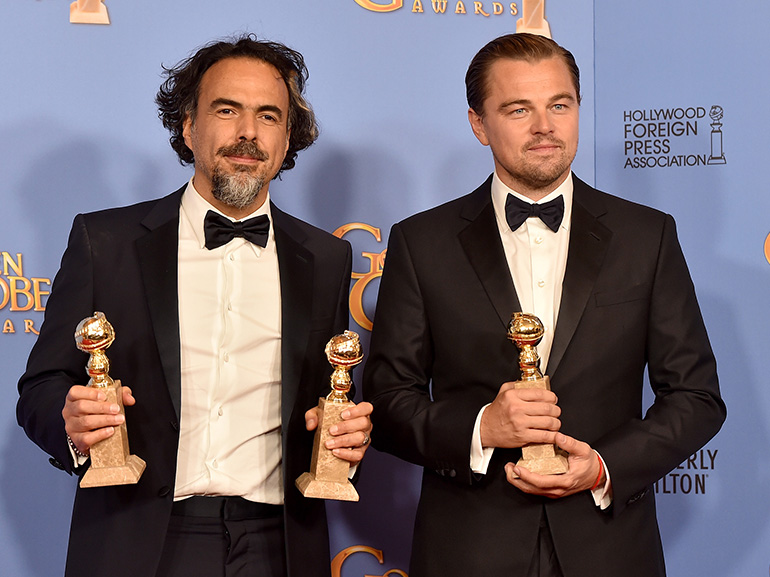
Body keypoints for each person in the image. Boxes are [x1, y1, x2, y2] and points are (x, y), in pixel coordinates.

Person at [363, 33, 725, 577]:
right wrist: (483, 428)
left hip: (610, 548)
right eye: (518, 110)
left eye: (560, 105)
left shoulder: (647, 236)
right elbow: (388, 403)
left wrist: (603, 467)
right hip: (468, 551)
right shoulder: (421, 242)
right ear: (478, 124)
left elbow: (697, 398)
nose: (544, 127)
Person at [17, 34, 373, 577]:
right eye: (227, 110)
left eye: (269, 116)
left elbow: (329, 395)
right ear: (188, 125)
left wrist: (347, 436)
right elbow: (41, 387)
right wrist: (71, 423)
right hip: (140, 541)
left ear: (286, 139)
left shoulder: (325, 257)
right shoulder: (105, 242)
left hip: (278, 544)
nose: (248, 132)